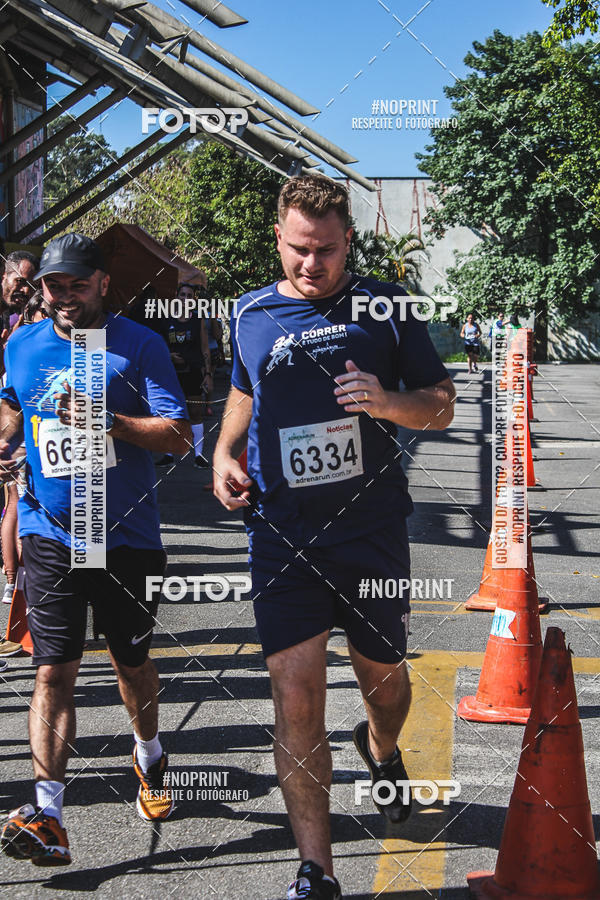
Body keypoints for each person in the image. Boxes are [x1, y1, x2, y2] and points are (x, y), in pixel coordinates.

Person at [213, 174, 455, 899]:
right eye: (297, 249)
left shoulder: (384, 307)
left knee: (385, 685)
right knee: (295, 698)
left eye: (324, 250)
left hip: (372, 532)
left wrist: (387, 402)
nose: (310, 264)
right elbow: (243, 389)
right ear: (278, 239)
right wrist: (225, 453)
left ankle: (380, 751)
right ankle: (315, 871)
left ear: (348, 238)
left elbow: (440, 407)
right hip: (282, 538)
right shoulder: (250, 312)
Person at [0, 233, 192, 866]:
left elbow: (178, 437)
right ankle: (49, 812)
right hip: (49, 527)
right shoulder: (24, 342)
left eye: (78, 285)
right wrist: (6, 436)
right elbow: (12, 404)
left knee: (130, 664)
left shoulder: (140, 345)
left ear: (103, 283)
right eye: (55, 286)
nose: (65, 297)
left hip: (123, 533)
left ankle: (149, 753)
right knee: (53, 668)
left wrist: (106, 419)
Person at [156, 282, 211, 468]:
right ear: (176, 297)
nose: (185, 299)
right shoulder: (165, 319)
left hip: (193, 372)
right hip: (171, 372)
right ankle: (168, 455)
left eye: (189, 296)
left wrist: (208, 373)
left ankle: (199, 456)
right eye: (182, 295)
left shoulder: (197, 320)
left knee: (195, 412)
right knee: (169, 412)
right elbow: (158, 344)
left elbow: (205, 348)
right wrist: (168, 355)